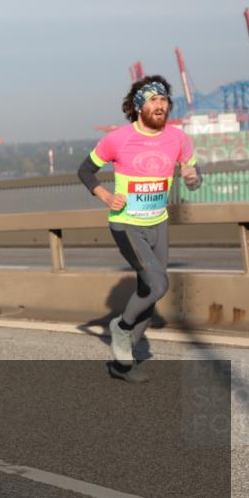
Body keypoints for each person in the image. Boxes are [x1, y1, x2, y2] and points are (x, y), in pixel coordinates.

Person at [77, 76, 201, 383]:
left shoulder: (179, 139)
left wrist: (192, 177)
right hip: (126, 222)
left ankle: (123, 364)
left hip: (158, 222)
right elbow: (85, 170)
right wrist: (104, 195)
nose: (160, 105)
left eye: (164, 100)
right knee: (159, 285)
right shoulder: (117, 139)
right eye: (153, 100)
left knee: (148, 290)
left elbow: (196, 177)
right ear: (138, 106)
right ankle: (121, 328)